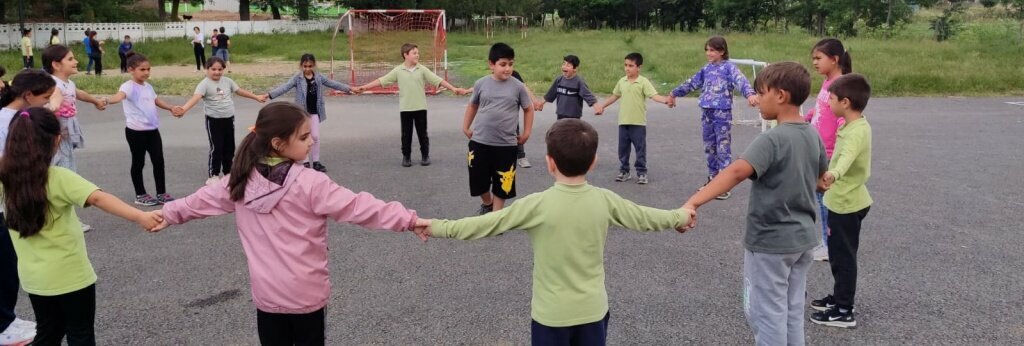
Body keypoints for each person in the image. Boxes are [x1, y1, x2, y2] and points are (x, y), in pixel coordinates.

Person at [154, 102, 425, 345]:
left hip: (267, 296)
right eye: (304, 137)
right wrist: (408, 220)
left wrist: (167, 214)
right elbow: (359, 207)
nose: (312, 141)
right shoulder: (310, 182)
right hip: (306, 295)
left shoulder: (238, 180)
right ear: (278, 143)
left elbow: (196, 203)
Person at [419, 119, 693, 346]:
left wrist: (435, 226)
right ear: (594, 161)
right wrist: (679, 216)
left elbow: (484, 225)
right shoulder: (606, 200)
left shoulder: (535, 205)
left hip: (550, 317)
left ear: (550, 163)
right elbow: (645, 217)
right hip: (592, 313)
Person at [682, 62, 824, 346]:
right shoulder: (812, 134)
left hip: (771, 243)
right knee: (792, 311)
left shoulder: (771, 139)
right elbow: (821, 180)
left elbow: (735, 172)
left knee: (766, 313)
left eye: (762, 93)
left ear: (781, 96)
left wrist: (693, 202)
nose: (756, 100)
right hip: (804, 240)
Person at [0, 107, 161, 346]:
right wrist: (140, 216)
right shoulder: (57, 177)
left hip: (34, 279)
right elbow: (98, 197)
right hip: (71, 276)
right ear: (56, 140)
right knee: (80, 333)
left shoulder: (5, 178)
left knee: (48, 331)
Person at [809, 73, 873, 329]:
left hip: (847, 203)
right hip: (840, 200)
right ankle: (838, 298)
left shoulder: (856, 131)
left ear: (845, 102)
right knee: (837, 255)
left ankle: (844, 310)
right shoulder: (851, 125)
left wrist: (832, 175)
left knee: (843, 258)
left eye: (831, 99)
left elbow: (845, 157)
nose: (828, 103)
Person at [0, 70, 58, 346]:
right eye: (44, 98)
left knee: (11, 264)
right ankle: (4, 325)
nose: (47, 104)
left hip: (8, 204)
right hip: (5, 204)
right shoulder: (6, 122)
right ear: (27, 95)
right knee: (5, 267)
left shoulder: (18, 118)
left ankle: (7, 318)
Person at [667, 36, 758, 200]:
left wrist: (750, 94)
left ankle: (724, 185)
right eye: (707, 50)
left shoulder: (729, 68)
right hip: (707, 111)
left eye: (712, 50)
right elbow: (691, 83)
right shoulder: (706, 69)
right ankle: (712, 179)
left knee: (722, 146)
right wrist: (674, 93)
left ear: (722, 51)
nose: (708, 53)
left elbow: (741, 81)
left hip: (722, 112)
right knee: (710, 146)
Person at [353, 43, 470, 167]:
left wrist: (454, 88)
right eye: (414, 53)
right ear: (405, 55)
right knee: (406, 134)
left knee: (422, 133)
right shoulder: (398, 70)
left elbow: (438, 80)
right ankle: (406, 157)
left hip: (420, 107)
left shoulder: (422, 69)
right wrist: (363, 87)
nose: (417, 55)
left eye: (418, 53)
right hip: (406, 108)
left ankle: (425, 156)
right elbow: (382, 80)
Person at [461, 43, 534, 214]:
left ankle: (497, 215)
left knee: (503, 181)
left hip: (506, 144)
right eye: (503, 64)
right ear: (491, 64)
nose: (507, 68)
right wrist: (465, 127)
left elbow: (528, 109)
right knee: (478, 179)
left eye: (511, 64)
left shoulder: (518, 86)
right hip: (480, 141)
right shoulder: (481, 84)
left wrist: (526, 133)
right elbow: (473, 105)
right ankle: (488, 203)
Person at [173, 57, 268, 185]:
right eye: (213, 69)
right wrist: (184, 109)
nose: (217, 72)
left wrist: (256, 97)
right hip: (213, 120)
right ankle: (213, 175)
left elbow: (239, 91)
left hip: (228, 119)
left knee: (229, 147)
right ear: (207, 69)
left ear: (223, 69)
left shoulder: (228, 81)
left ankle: (228, 172)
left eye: (220, 69)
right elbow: (196, 98)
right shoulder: (204, 84)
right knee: (216, 147)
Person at [44, 44, 107, 232]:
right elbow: (50, 106)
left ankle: (61, 218)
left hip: (66, 133)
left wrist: (95, 101)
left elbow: (77, 94)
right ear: (56, 64)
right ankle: (64, 220)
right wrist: (53, 124)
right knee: (63, 176)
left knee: (66, 173)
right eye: (70, 59)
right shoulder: (52, 84)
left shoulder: (67, 83)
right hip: (58, 135)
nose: (76, 61)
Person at [103, 52, 177, 206]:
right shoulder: (128, 86)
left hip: (152, 130)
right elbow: (119, 96)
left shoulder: (148, 86)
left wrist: (170, 107)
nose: (146, 72)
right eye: (142, 70)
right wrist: (107, 100)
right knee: (138, 162)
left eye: (148, 69)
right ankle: (140, 194)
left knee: (158, 161)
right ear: (131, 70)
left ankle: (161, 193)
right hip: (136, 132)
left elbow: (156, 100)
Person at [805, 38, 854, 262]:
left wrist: (837, 153)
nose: (814, 62)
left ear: (834, 60)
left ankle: (829, 244)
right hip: (819, 149)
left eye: (818, 58)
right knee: (820, 198)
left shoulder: (843, 85)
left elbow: (844, 120)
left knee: (826, 201)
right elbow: (819, 110)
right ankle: (826, 240)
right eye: (813, 58)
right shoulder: (827, 82)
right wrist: (804, 118)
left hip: (831, 153)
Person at [263, 53, 353, 173]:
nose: (307, 69)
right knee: (302, 137)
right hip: (302, 113)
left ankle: (316, 162)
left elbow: (333, 83)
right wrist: (269, 95)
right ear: (301, 66)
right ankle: (305, 162)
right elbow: (285, 87)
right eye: (305, 66)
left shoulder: (318, 77)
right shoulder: (297, 78)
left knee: (315, 136)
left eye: (310, 66)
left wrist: (350, 88)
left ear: (314, 66)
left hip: (315, 111)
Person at [595, 52, 673, 185]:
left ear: (639, 67)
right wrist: (602, 106)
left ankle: (641, 172)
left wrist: (666, 100)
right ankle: (624, 171)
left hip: (638, 123)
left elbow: (654, 96)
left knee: (640, 148)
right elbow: (615, 96)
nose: (627, 68)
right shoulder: (622, 81)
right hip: (623, 122)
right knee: (623, 149)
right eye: (625, 65)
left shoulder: (643, 82)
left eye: (631, 66)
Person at [536, 54, 602, 120]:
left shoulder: (579, 82)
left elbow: (588, 95)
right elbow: (550, 94)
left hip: (574, 116)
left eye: (568, 65)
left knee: (573, 130)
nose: (564, 67)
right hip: (560, 114)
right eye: (564, 64)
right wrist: (541, 103)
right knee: (560, 130)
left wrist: (596, 107)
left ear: (575, 69)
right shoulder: (559, 80)